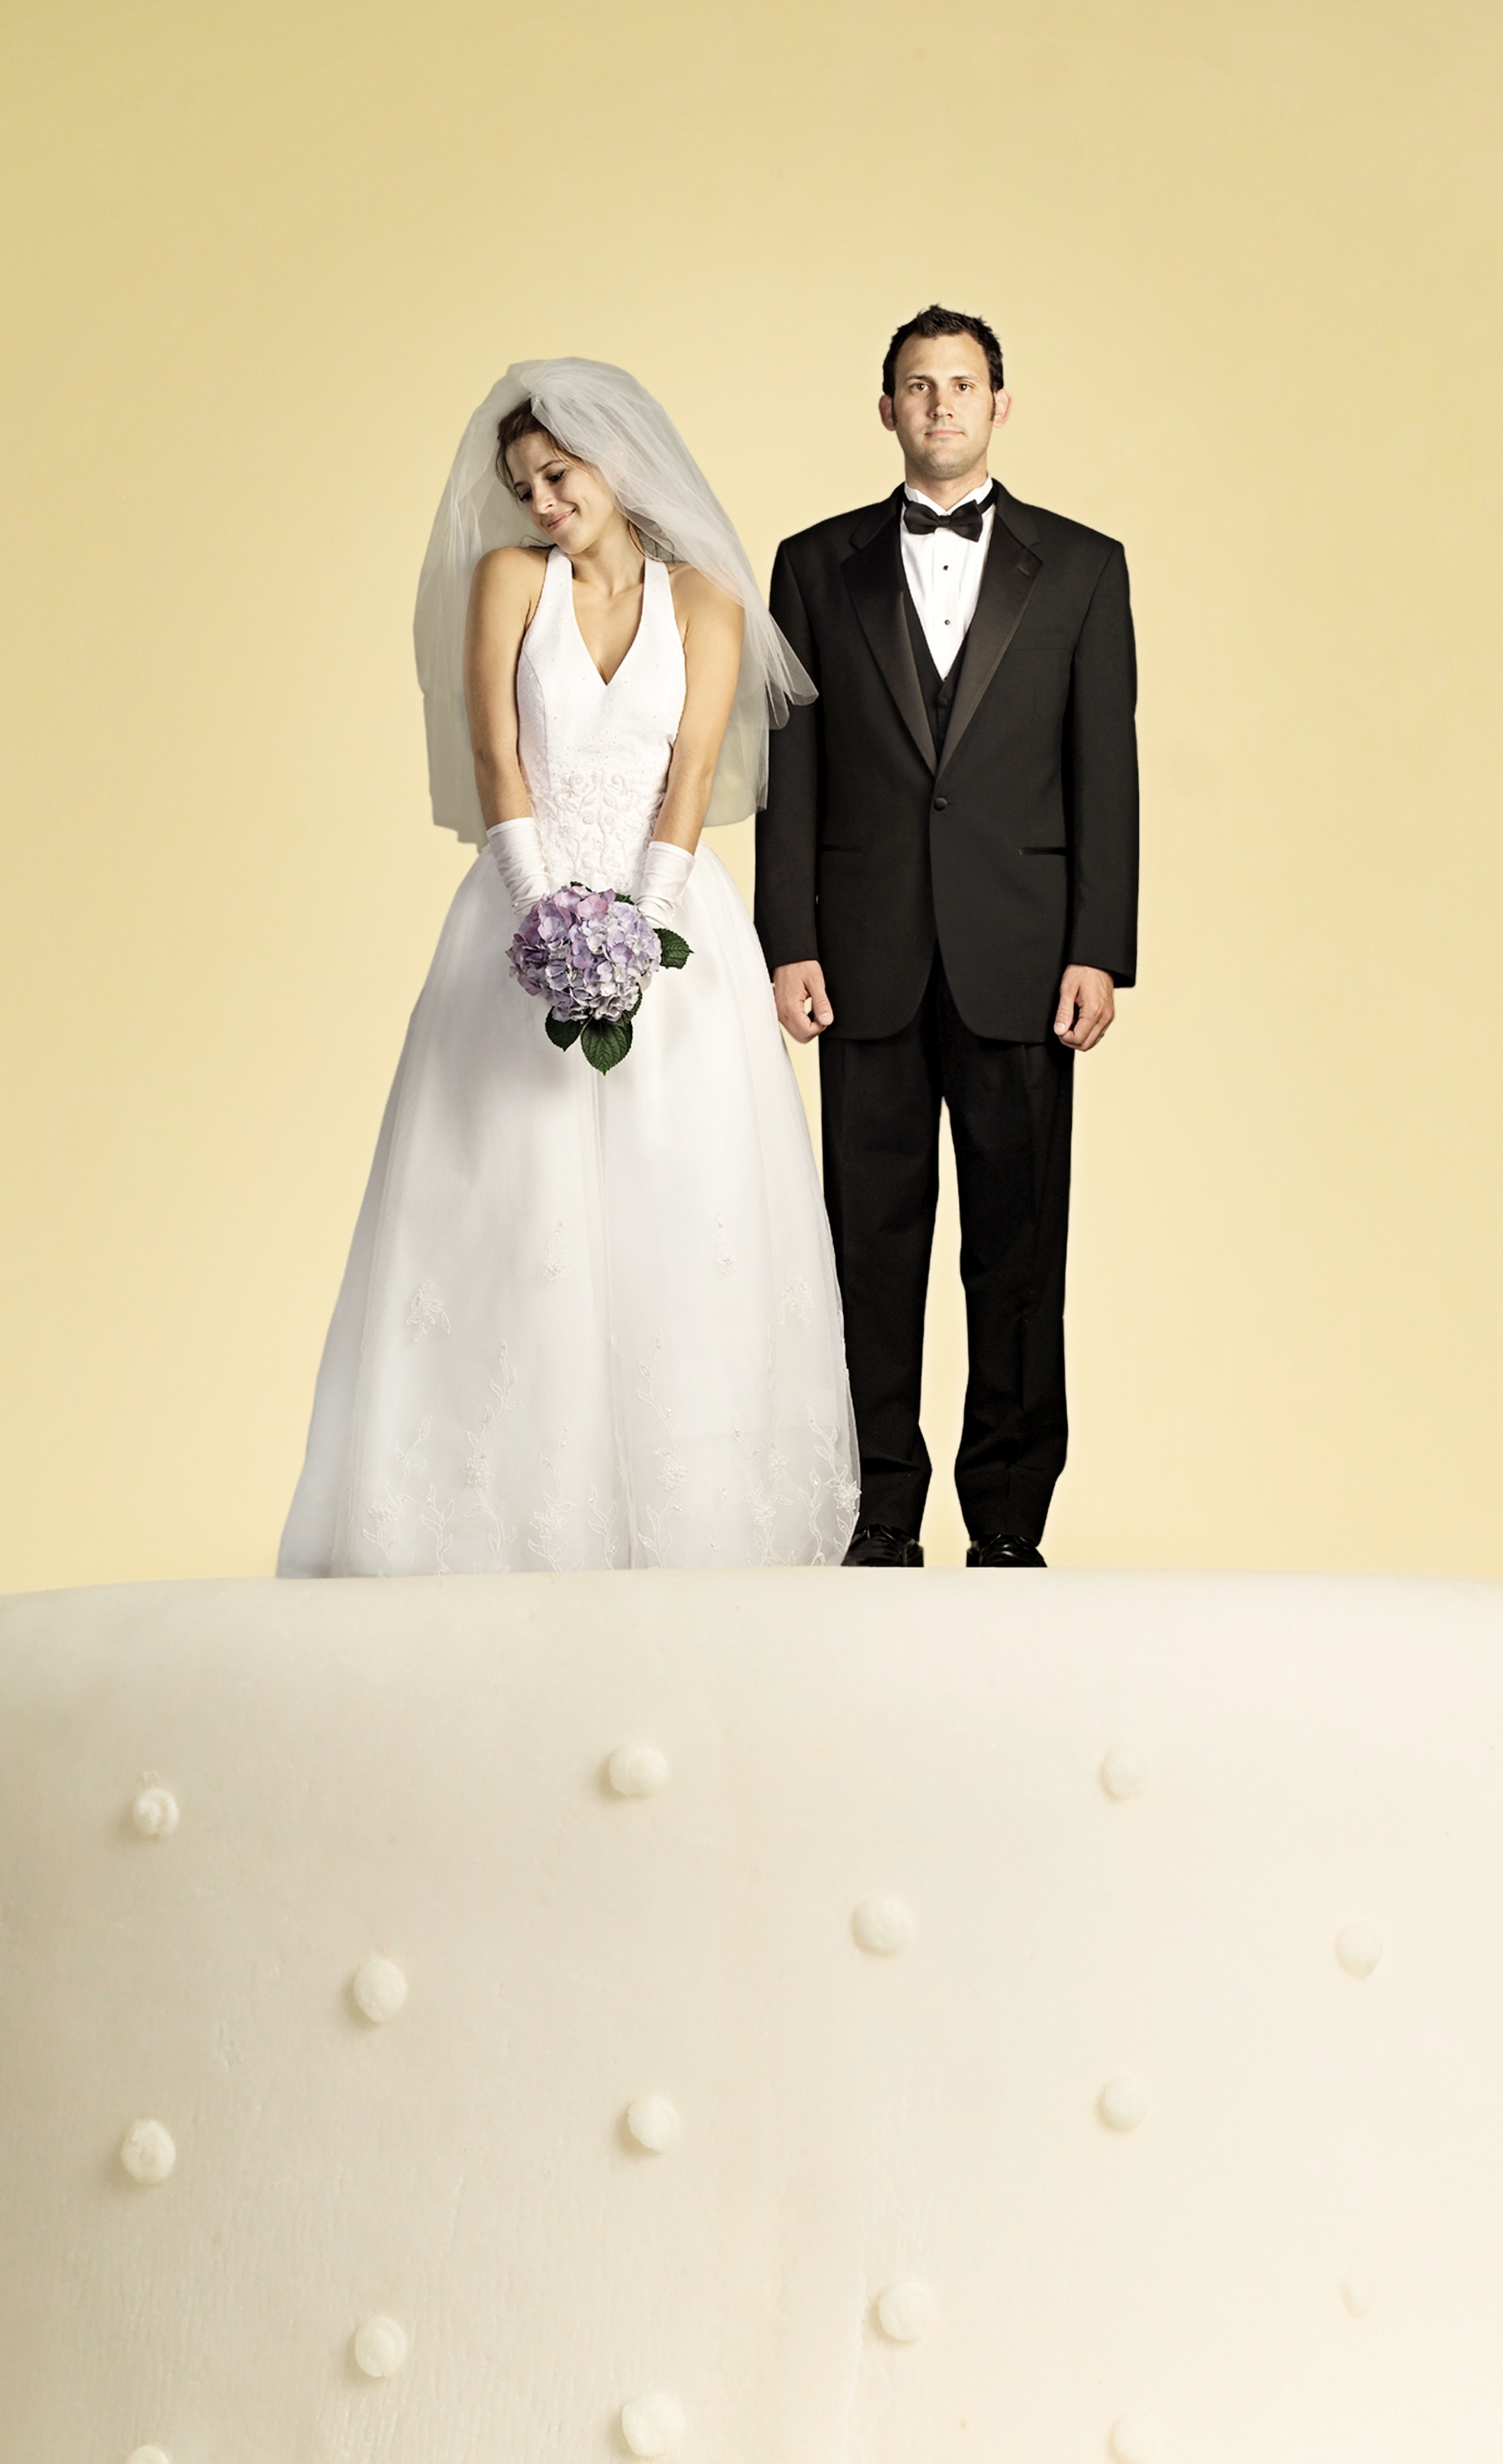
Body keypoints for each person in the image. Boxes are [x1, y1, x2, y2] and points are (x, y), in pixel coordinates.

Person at [277, 360, 859, 1575]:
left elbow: (693, 776)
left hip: (670, 921)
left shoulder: (704, 599)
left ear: (618, 462)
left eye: (560, 473)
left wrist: (638, 934)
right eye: (526, 485)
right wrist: (544, 919)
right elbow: (495, 747)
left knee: (680, 1203)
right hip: (518, 914)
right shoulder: (509, 584)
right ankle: (489, 1520)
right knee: (505, 1204)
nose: (544, 501)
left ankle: (689, 1521)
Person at [759, 305, 1140, 1568]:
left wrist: (1101, 946)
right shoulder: (813, 568)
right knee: (866, 1252)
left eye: (962, 385)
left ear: (1000, 405)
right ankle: (875, 1513)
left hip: (1026, 961)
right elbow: (789, 769)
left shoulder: (1084, 567)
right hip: (862, 954)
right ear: (886, 410)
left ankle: (1012, 1524)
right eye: (917, 386)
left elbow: (1107, 773)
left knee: (1019, 1251)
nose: (940, 405)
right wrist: (786, 938)